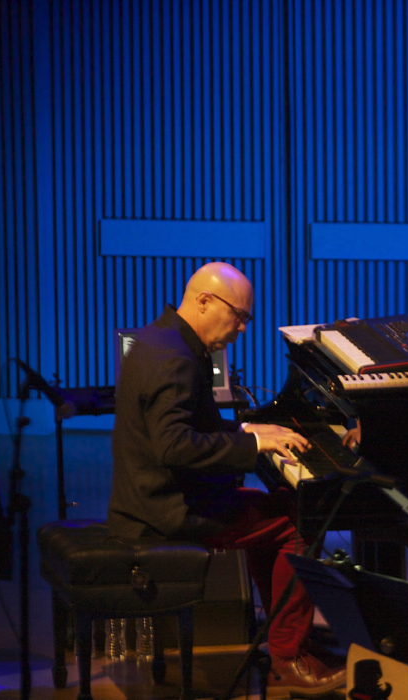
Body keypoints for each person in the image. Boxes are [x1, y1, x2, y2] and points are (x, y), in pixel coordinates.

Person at [108, 262, 346, 695]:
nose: (242, 328)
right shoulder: (176, 361)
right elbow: (175, 446)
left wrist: (246, 431)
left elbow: (190, 427)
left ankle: (281, 635)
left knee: (275, 508)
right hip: (169, 511)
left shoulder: (155, 340)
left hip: (148, 498)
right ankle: (289, 658)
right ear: (203, 301)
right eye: (239, 316)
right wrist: (253, 446)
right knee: (300, 523)